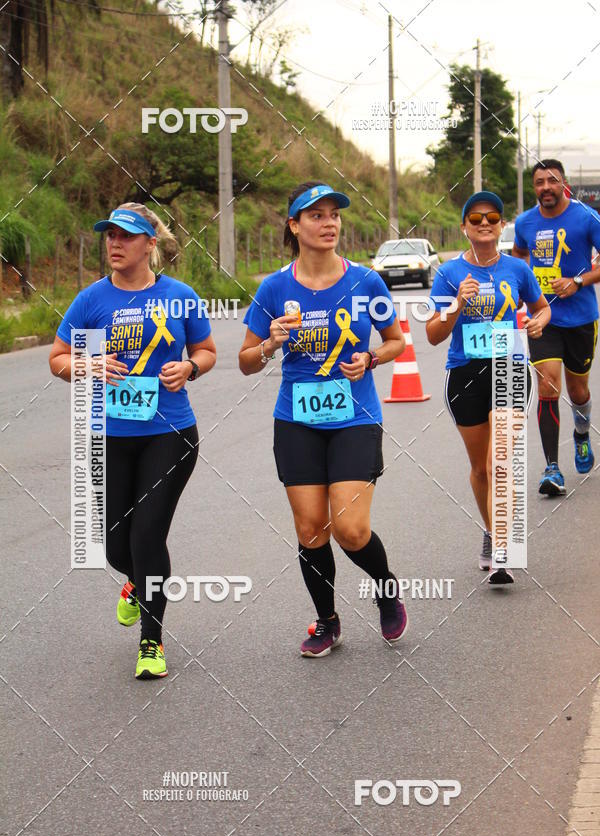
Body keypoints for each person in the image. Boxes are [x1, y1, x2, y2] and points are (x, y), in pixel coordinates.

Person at [239, 181, 407, 657]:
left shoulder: (366, 282)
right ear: (294, 226)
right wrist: (270, 342)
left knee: (350, 528)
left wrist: (371, 359)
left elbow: (395, 340)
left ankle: (385, 589)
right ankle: (327, 621)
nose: (329, 222)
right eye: (316, 215)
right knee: (311, 529)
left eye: (334, 214)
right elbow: (246, 360)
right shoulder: (274, 287)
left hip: (355, 415)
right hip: (296, 420)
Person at [49, 203, 216, 678]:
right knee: (113, 546)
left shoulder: (180, 297)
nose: (114, 244)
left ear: (149, 244)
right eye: (109, 236)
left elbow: (206, 351)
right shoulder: (90, 300)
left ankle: (151, 643)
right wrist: (89, 366)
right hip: (108, 437)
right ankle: (135, 582)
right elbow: (59, 359)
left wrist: (189, 367)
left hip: (170, 433)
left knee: (147, 535)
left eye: (125, 236)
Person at [426, 191, 550, 585]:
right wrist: (457, 304)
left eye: (492, 218)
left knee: (502, 460)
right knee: (481, 468)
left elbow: (541, 306)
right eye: (475, 218)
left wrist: (539, 321)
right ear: (464, 227)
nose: (484, 223)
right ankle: (492, 530)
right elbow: (432, 334)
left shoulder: (517, 269)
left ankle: (503, 550)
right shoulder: (448, 273)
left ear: (501, 225)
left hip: (510, 368)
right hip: (465, 373)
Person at [512, 159, 600, 495]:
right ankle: (552, 468)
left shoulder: (586, 217)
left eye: (551, 181)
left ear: (563, 184)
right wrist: (520, 287)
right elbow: (519, 256)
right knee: (548, 385)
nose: (545, 187)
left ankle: (581, 430)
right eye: (538, 182)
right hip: (543, 317)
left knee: (578, 392)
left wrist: (578, 280)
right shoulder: (525, 222)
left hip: (580, 318)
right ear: (533, 187)